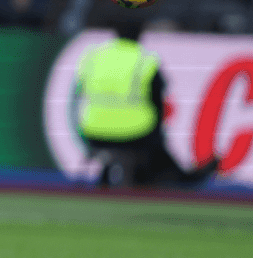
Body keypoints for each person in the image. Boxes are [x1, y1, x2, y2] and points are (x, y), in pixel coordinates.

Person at [74, 20, 219, 187]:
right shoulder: (144, 60)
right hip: (134, 132)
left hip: (93, 131)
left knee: (152, 138)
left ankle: (128, 175)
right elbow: (158, 100)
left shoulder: (94, 57)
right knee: (155, 139)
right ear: (140, 36)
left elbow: (80, 91)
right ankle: (176, 178)